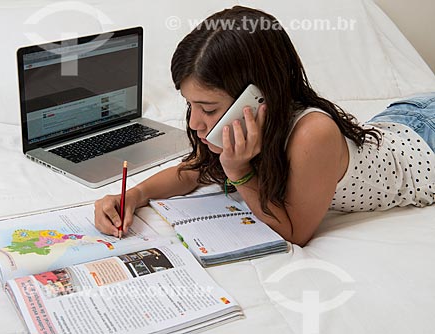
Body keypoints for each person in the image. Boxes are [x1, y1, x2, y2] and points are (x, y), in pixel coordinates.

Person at [95, 6, 435, 246]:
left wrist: (239, 170)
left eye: (209, 109)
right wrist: (133, 196)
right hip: (401, 120)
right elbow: (192, 172)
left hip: (425, 142)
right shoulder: (245, 125)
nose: (196, 122)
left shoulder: (313, 134)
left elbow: (295, 233)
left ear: (256, 98)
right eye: (190, 105)